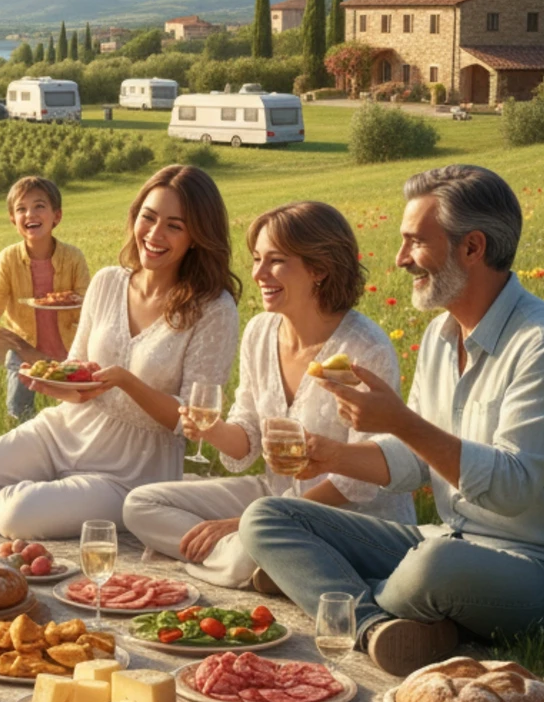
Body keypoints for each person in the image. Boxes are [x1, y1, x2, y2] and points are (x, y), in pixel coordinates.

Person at [240, 165, 544, 674]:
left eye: (415, 242)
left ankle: (334, 591)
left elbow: (511, 488)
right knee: (268, 515)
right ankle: (380, 626)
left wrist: (399, 420)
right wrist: (329, 454)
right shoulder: (443, 335)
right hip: (453, 539)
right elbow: (416, 463)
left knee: (433, 567)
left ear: (472, 248)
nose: (400, 260)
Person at [0, 165, 240, 539]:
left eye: (174, 226)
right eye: (148, 218)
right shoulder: (108, 282)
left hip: (131, 470)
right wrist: (55, 383)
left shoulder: (214, 309)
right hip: (65, 431)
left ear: (197, 235)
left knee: (19, 515)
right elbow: (76, 367)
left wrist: (126, 382)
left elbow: (191, 421)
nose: (154, 234)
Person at [123, 201, 413, 589]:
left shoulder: (365, 349)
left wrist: (250, 521)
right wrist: (209, 429)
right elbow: (247, 436)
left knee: (247, 545)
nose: (258, 273)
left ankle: (246, 558)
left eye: (275, 261)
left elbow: (359, 485)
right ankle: (262, 563)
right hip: (274, 494)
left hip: (348, 517)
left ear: (319, 269)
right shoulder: (261, 331)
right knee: (140, 505)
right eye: (257, 258)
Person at [0, 176, 90, 421]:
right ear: (13, 220)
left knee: (75, 413)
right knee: (18, 410)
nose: (30, 214)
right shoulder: (8, 258)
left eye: (39, 206)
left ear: (57, 216)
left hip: (66, 345)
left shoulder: (73, 257)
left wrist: (79, 304)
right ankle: (19, 439)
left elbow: (88, 299)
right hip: (22, 345)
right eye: (21, 209)